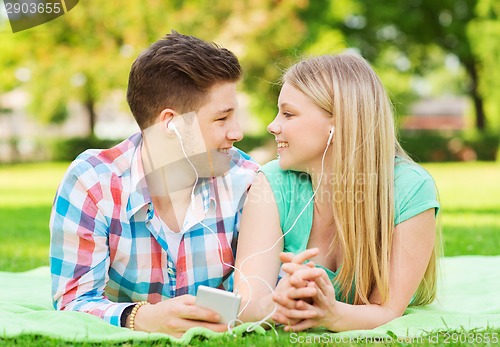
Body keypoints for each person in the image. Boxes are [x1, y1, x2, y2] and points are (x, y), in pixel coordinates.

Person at [49, 31, 259, 337]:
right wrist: (143, 318)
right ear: (171, 125)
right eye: (222, 119)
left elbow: (265, 292)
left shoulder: (246, 180)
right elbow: (73, 301)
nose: (237, 132)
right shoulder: (93, 183)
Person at [234, 53, 440, 332]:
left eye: (288, 113)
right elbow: (247, 303)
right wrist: (280, 303)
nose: (273, 125)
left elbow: (388, 310)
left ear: (337, 121)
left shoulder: (409, 188)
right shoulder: (272, 182)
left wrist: (329, 314)